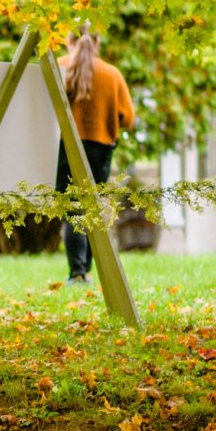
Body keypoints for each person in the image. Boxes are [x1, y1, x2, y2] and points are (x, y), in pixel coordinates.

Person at [55, 26, 134, 284]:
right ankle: (83, 271)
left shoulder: (58, 68)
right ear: (97, 43)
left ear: (68, 41)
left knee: (73, 210)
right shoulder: (112, 74)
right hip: (99, 149)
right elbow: (128, 118)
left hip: (64, 147)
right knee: (91, 209)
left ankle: (78, 272)